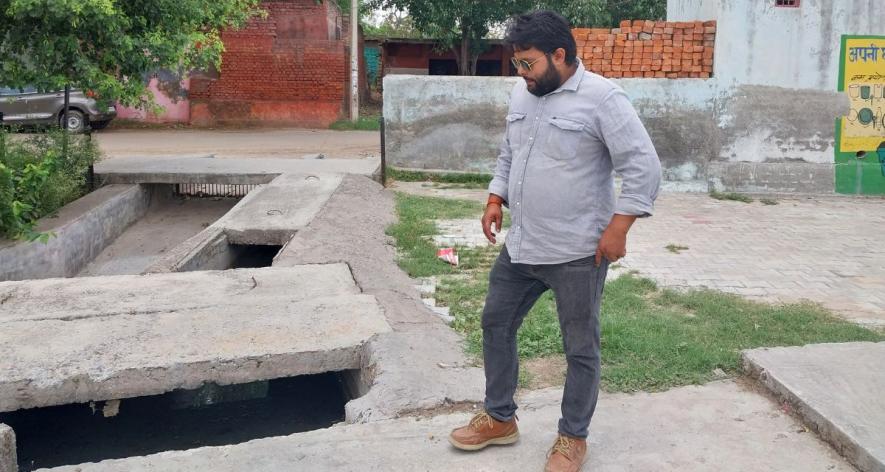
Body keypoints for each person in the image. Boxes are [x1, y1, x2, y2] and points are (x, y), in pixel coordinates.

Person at [447, 10, 662, 472]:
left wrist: (619, 227)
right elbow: (510, 152)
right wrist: (494, 198)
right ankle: (500, 418)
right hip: (523, 247)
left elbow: (643, 166)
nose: (519, 73)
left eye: (527, 63)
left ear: (559, 55)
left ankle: (571, 438)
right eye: (516, 63)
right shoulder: (523, 94)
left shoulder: (603, 99)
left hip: (578, 253)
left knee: (580, 348)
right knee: (495, 323)